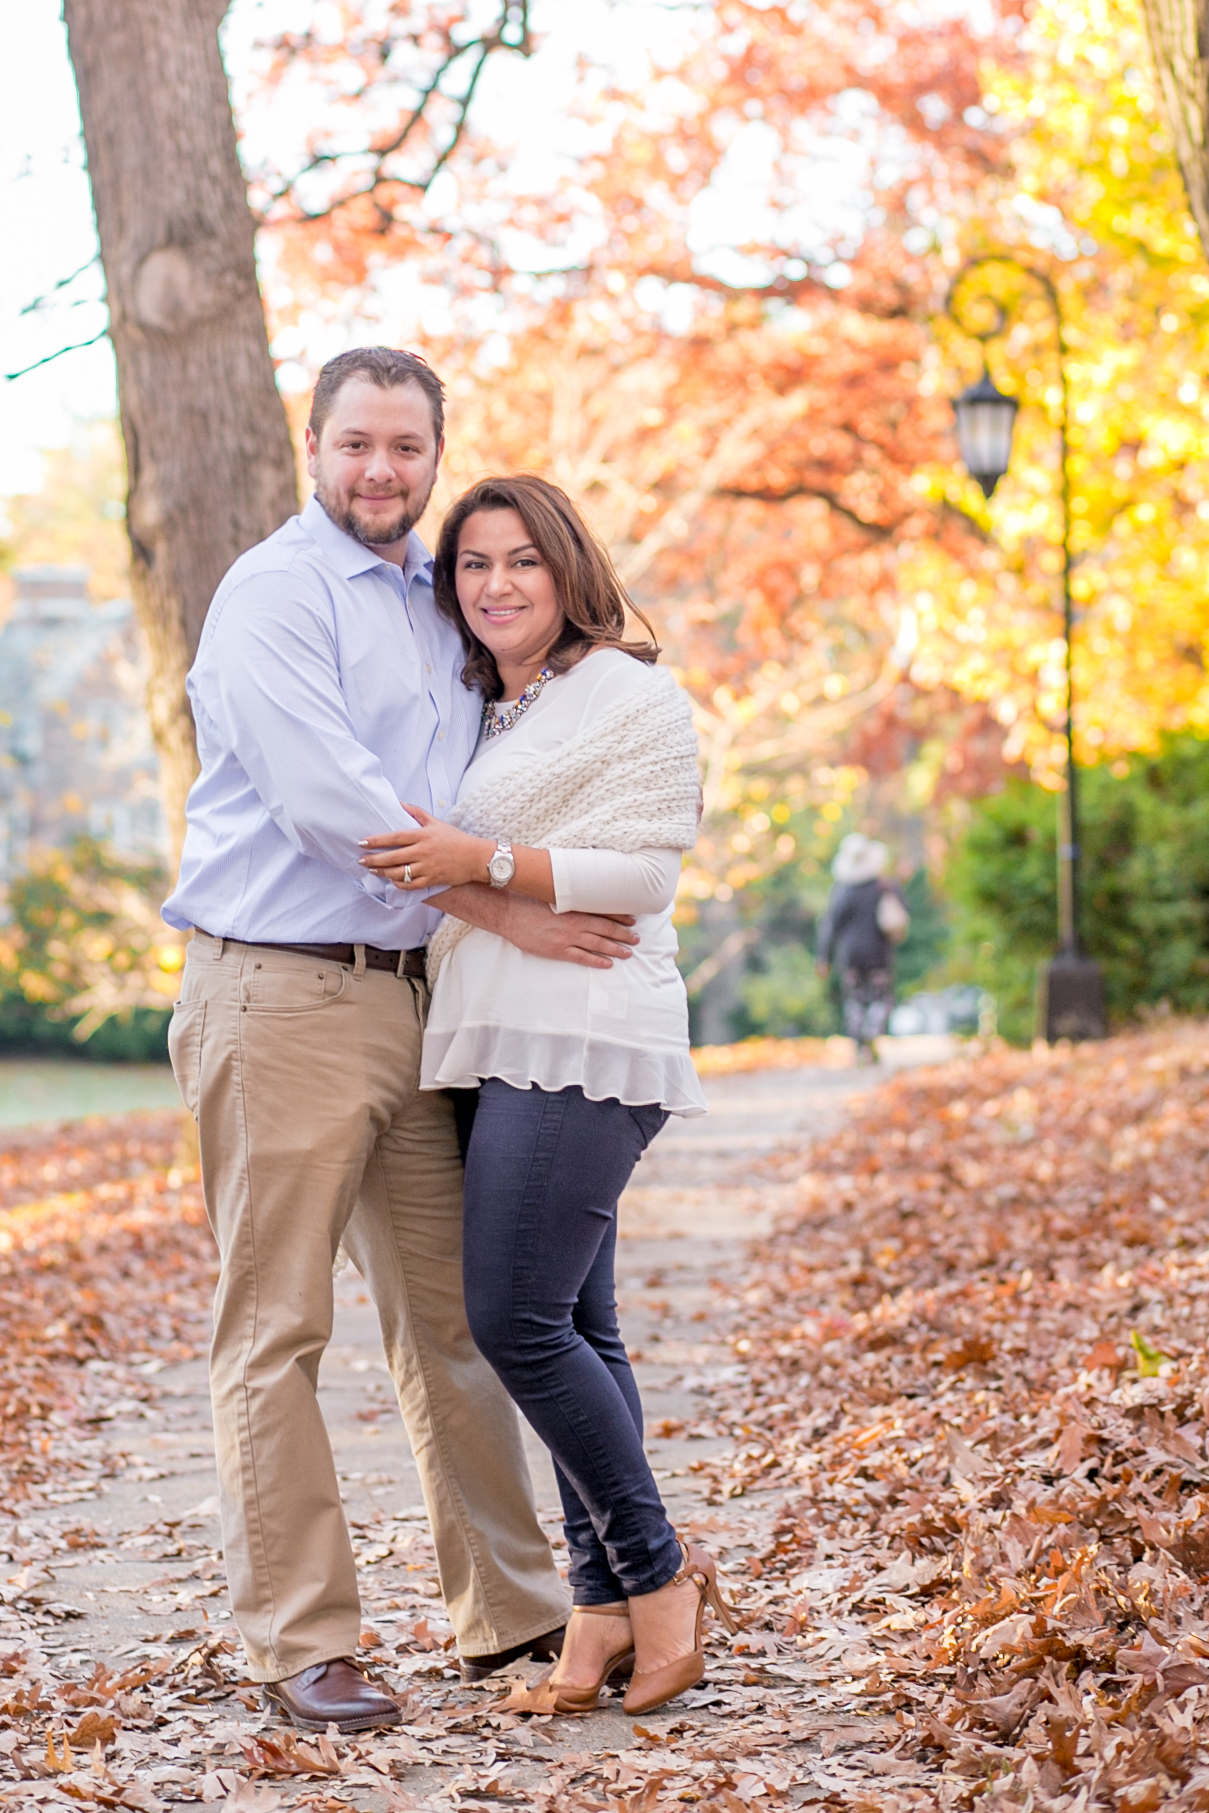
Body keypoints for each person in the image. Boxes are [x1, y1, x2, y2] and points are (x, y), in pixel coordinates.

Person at [162, 349, 644, 1734]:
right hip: (280, 994)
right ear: (313, 446)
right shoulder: (275, 592)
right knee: (278, 1325)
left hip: (419, 998)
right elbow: (337, 805)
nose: (382, 470)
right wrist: (512, 901)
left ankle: (511, 1611)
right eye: (357, 444)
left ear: (438, 456)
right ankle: (302, 1638)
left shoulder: (443, 600)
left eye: (407, 449)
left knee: (458, 1321)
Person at [359, 474, 736, 1718]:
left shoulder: (626, 691)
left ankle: (661, 1574)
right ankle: (598, 1613)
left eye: (521, 561)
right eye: (472, 565)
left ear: (568, 567)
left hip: (582, 1036)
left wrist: (490, 861)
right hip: (496, 1033)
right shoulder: (489, 713)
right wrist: (498, 893)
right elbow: (431, 867)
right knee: (581, 1329)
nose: (497, 585)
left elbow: (642, 872)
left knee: (514, 1320)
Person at [815, 832, 908, 1063]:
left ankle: (859, 1045)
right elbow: (903, 912)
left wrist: (823, 957)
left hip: (850, 956)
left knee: (855, 1000)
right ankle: (871, 1035)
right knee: (880, 998)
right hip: (879, 953)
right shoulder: (884, 885)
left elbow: (830, 925)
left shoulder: (843, 891)